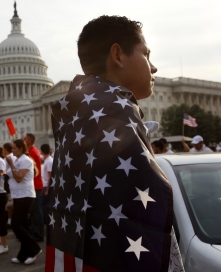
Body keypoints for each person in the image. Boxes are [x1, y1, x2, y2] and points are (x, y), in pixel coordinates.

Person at [46, 16, 183, 271]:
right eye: (146, 54)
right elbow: (151, 208)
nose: (154, 68)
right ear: (118, 55)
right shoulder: (117, 111)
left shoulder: (76, 115)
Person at [6, 139, 42, 264]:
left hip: (25, 195)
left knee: (15, 224)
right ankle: (23, 254)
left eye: (14, 148)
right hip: (18, 195)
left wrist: (11, 165)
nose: (12, 150)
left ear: (21, 149)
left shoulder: (26, 160)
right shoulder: (17, 160)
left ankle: (34, 249)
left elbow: (19, 178)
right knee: (24, 225)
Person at [23, 133, 44, 242]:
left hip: (35, 185)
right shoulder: (31, 151)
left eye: (24, 139)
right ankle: (34, 231)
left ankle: (38, 234)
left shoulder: (33, 153)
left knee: (35, 211)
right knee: (33, 210)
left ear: (29, 141)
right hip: (33, 184)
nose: (23, 140)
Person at [2, 143, 15, 227]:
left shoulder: (7, 158)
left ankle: (9, 220)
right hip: (13, 181)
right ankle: (10, 220)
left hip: (8, 181)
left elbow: (3, 172)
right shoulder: (14, 156)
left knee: (9, 202)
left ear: (5, 148)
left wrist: (1, 182)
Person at [40, 144, 53, 223]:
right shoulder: (47, 160)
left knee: (42, 205)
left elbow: (50, 176)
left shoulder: (48, 161)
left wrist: (47, 189)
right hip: (44, 185)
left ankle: (45, 220)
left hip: (45, 185)